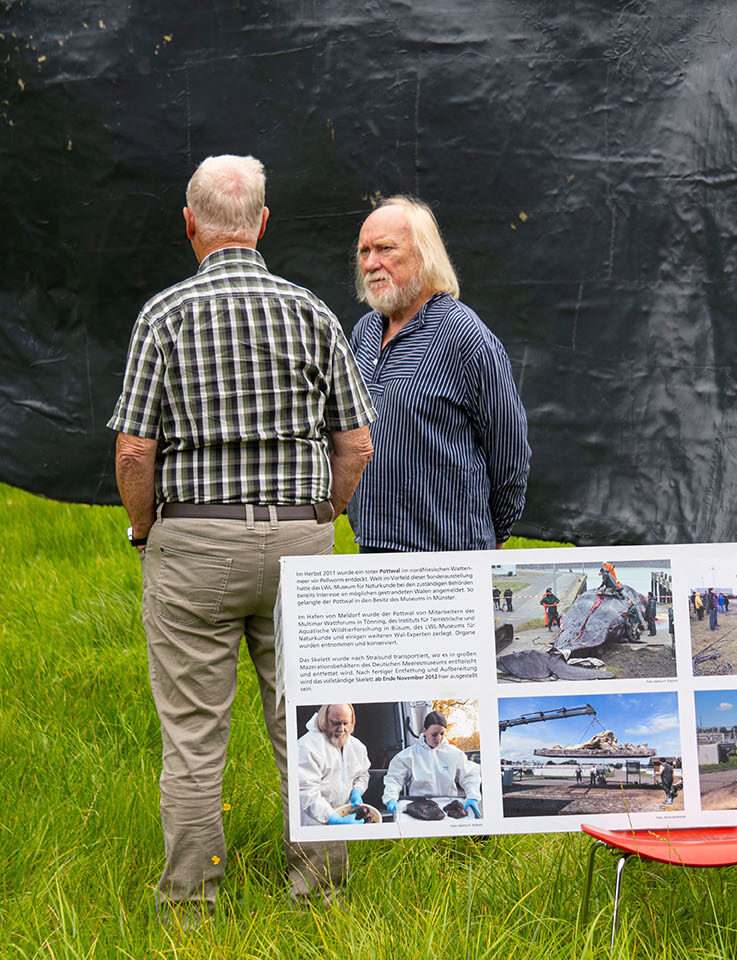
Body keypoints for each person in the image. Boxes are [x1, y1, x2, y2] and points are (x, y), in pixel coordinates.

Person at [108, 155, 376, 921]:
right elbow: (356, 444)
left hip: (194, 542)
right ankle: (319, 897)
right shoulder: (312, 313)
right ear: (263, 223)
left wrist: (143, 527)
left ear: (190, 224)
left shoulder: (164, 316)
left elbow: (134, 451)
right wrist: (324, 512)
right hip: (298, 538)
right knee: (309, 722)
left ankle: (190, 907)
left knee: (194, 740)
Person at [347, 195, 531, 552]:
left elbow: (510, 452)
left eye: (385, 249)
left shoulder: (464, 336)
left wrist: (495, 535)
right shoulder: (364, 333)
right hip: (372, 552)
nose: (371, 263)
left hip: (445, 558)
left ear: (423, 254)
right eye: (364, 251)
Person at [382, 711, 481, 816]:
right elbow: (394, 779)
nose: (438, 738)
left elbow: (469, 775)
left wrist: (473, 795)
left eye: (442, 734)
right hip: (420, 808)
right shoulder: (408, 756)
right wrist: (391, 797)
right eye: (434, 734)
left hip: (448, 808)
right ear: (424, 731)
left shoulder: (454, 754)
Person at [298, 704, 371, 826]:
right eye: (336, 723)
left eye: (345, 723)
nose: (341, 729)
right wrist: (332, 817)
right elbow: (305, 790)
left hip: (345, 815)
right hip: (314, 821)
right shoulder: (307, 746)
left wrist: (357, 790)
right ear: (324, 720)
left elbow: (362, 775)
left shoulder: (357, 746)